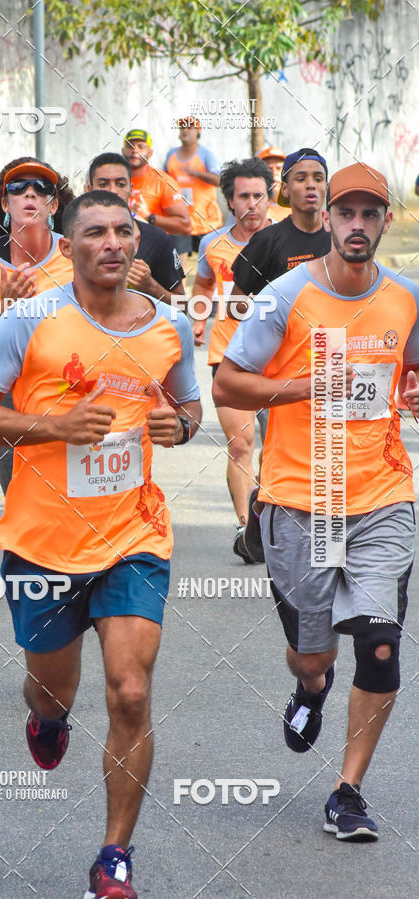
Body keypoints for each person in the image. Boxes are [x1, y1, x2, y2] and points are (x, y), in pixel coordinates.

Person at [0, 190, 201, 897]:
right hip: (43, 542)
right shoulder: (30, 319)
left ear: (137, 242)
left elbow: (188, 406)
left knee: (131, 692)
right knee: (50, 690)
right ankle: (48, 718)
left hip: (134, 536)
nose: (112, 243)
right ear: (69, 247)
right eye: (95, 232)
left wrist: (180, 427)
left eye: (124, 230)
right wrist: (55, 427)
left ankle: (113, 857)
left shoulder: (169, 326)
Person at [213, 162, 419, 841]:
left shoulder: (407, 299)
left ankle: (347, 790)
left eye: (370, 214)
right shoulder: (284, 297)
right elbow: (227, 385)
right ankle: (310, 689)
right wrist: (307, 386)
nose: (357, 225)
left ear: (385, 222)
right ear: (326, 218)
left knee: (380, 647)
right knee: (314, 655)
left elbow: (412, 372)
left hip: (383, 495)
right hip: (303, 499)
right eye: (346, 213)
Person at [231, 148, 331, 562]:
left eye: (318, 178)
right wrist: (276, 321)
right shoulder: (268, 242)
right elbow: (236, 304)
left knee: (327, 454)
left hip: (333, 364)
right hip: (280, 374)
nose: (311, 186)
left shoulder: (341, 238)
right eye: (301, 178)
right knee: (288, 457)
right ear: (285, 189)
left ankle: (322, 542)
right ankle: (262, 516)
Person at [0, 158, 74, 493]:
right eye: (18, 188)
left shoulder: (75, 255)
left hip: (70, 389)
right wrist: (3, 313)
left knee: (74, 502)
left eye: (42, 188)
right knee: (21, 499)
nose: (30, 194)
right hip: (6, 400)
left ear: (54, 205)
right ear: (6, 204)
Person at [191, 158, 273, 561]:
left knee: (277, 447)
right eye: (244, 196)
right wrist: (198, 318)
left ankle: (270, 519)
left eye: (259, 195)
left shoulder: (285, 241)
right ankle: (247, 532)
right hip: (228, 357)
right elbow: (203, 284)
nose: (252, 204)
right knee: (241, 443)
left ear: (270, 198)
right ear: (230, 201)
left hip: (279, 361)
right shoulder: (212, 244)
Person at [87, 152, 185, 302]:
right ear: (89, 189)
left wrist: (151, 287)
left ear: (131, 189)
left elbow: (182, 305)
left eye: (121, 184)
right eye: (103, 184)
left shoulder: (157, 240)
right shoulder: (73, 239)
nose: (113, 191)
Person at [164, 116, 222, 259]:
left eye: (190, 128)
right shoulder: (171, 154)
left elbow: (219, 181)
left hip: (205, 221)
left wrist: (197, 173)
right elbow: (163, 181)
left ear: (198, 131)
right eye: (182, 127)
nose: (185, 130)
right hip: (179, 219)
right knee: (178, 264)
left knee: (210, 263)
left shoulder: (206, 154)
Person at [122, 129, 191, 236]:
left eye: (140, 146)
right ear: (123, 151)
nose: (135, 150)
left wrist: (149, 216)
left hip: (150, 244)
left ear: (150, 153)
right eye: (130, 146)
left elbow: (185, 226)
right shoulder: (112, 179)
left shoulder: (163, 181)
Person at [258, 146, 289, 222]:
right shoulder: (252, 209)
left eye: (279, 168)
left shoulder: (298, 206)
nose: (274, 174)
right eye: (269, 169)